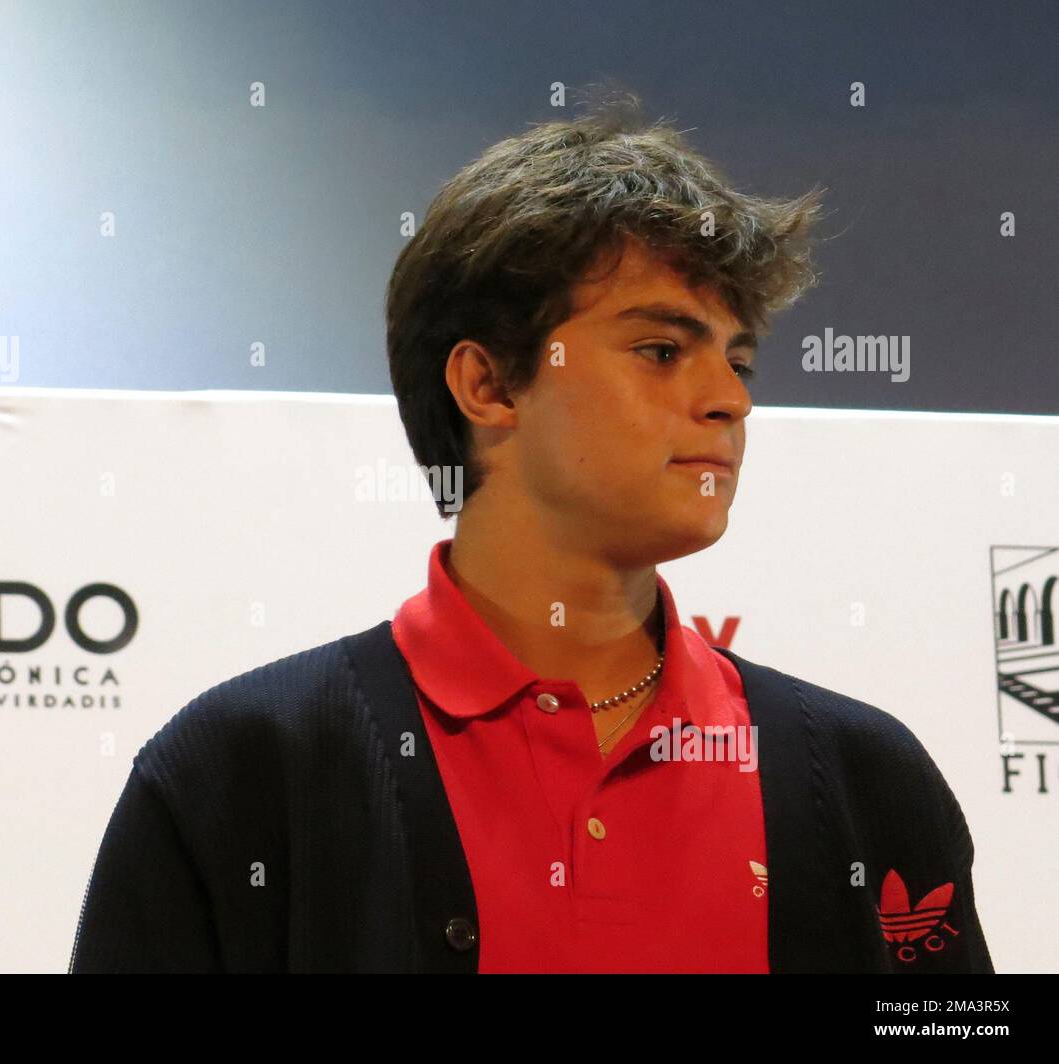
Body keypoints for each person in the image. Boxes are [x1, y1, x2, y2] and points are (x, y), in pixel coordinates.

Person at [69, 92, 992, 974]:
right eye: (662, 351)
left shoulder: (868, 778)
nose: (730, 399)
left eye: (739, 359)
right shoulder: (240, 772)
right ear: (490, 387)